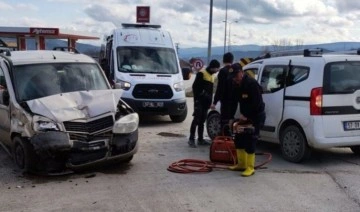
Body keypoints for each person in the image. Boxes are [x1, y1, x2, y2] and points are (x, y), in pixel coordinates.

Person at [228, 63, 266, 177]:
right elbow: (233, 102)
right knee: (239, 138)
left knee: (250, 140)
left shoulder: (251, 84)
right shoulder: (236, 85)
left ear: (241, 72)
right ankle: (241, 164)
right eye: (233, 77)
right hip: (245, 116)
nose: (235, 79)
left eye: (236, 75)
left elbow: (257, 103)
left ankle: (250, 168)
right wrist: (231, 118)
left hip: (256, 116)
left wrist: (247, 116)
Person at [189, 59, 220, 148]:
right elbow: (195, 87)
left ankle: (200, 139)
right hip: (199, 101)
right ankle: (191, 139)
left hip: (206, 103)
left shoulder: (212, 76)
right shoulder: (201, 74)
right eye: (217, 68)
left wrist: (210, 101)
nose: (217, 70)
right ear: (213, 67)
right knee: (196, 120)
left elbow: (210, 91)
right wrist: (202, 95)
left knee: (202, 121)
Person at [211, 52, 235, 135]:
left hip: (226, 101)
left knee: (224, 122)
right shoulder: (236, 70)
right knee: (232, 120)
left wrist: (215, 102)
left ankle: (225, 141)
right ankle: (232, 139)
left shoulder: (223, 71)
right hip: (235, 101)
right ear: (232, 60)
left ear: (223, 60)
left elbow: (220, 88)